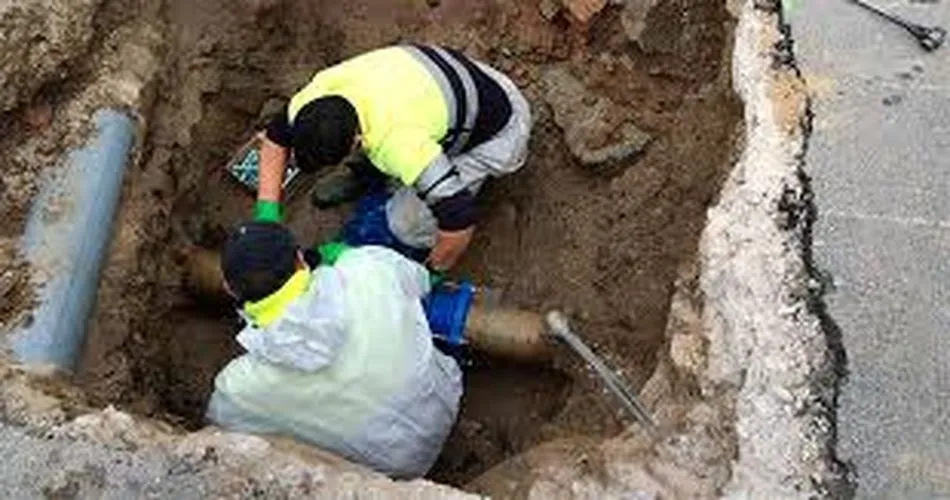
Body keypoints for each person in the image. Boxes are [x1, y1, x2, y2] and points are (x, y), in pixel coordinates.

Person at [205, 221, 463, 478]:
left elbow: (219, 432)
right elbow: (421, 282)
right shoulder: (367, 267)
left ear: (229, 289)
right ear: (300, 258)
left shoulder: (237, 389)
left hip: (399, 472)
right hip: (445, 398)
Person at [253, 44, 532, 270]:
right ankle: (371, 178)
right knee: (392, 161)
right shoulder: (318, 94)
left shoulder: (398, 142)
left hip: (498, 132)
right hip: (450, 81)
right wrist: (266, 216)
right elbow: (276, 140)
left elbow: (459, 219)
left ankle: (396, 237)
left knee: (405, 225)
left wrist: (433, 271)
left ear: (356, 140)